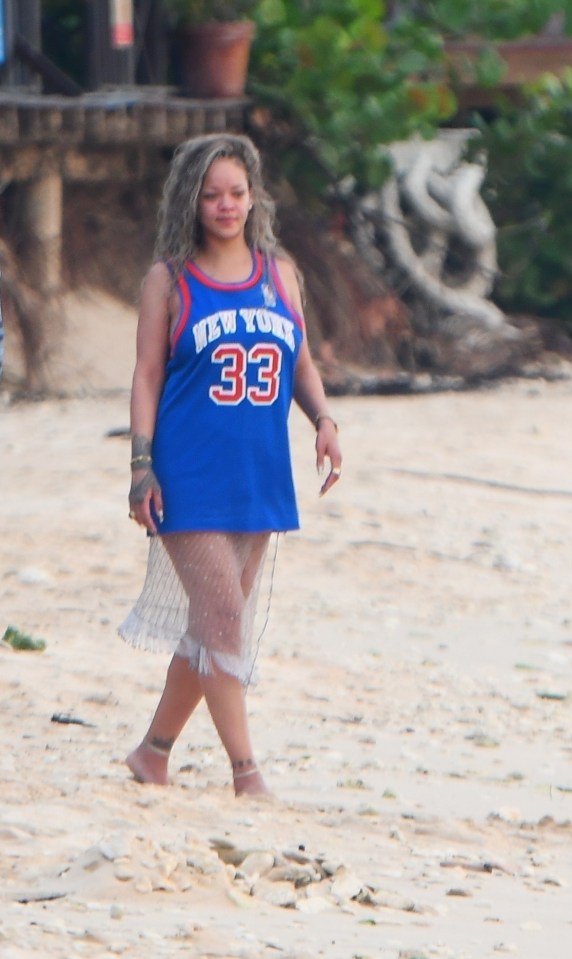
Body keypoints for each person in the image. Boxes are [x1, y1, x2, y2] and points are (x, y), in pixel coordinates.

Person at [120, 133, 342, 797]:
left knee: (211, 624)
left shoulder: (280, 274)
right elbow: (147, 375)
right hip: (188, 473)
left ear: (254, 197)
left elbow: (300, 358)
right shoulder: (168, 279)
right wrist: (140, 465)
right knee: (223, 618)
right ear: (192, 200)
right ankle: (247, 771)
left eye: (236, 193)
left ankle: (153, 753)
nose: (225, 205)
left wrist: (324, 420)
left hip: (260, 472)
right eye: (211, 194)